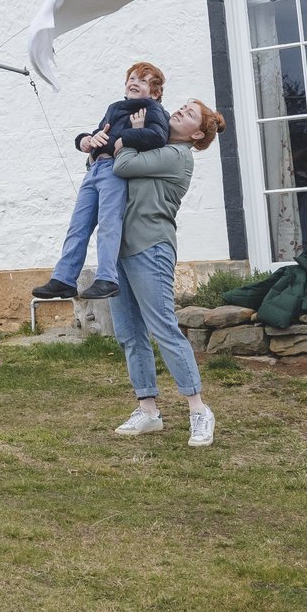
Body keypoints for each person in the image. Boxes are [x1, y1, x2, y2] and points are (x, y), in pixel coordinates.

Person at [106, 98, 226, 447]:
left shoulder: (177, 156)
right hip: (119, 250)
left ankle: (199, 410)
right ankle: (148, 411)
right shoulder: (157, 145)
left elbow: (123, 164)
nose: (178, 112)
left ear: (197, 133)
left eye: (189, 114)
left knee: (163, 328)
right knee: (129, 332)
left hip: (151, 248)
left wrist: (135, 133)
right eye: (181, 107)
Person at [33, 62, 170, 302]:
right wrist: (85, 140)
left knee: (109, 223)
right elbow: (99, 133)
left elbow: (159, 136)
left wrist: (126, 137)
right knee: (78, 225)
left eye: (143, 80)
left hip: (114, 172)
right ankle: (64, 278)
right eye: (132, 78)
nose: (135, 82)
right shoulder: (115, 108)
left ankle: (107, 278)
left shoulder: (151, 109)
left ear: (155, 92)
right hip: (94, 170)